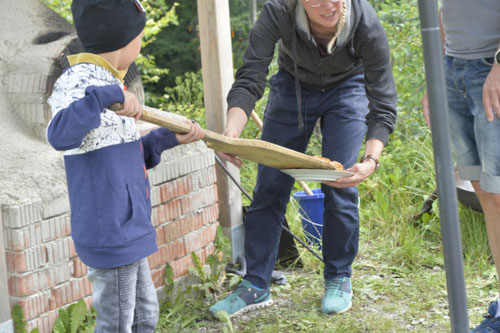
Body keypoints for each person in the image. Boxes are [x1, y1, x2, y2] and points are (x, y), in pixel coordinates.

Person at [209, 0, 397, 317]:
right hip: (292, 83)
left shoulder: (366, 24)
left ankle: (338, 277)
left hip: (348, 86)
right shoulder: (277, 12)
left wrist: (370, 160)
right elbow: (250, 77)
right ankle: (255, 284)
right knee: (269, 186)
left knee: (340, 183)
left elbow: (383, 103)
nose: (328, 6)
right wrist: (231, 134)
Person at [46, 0, 204, 331]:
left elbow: (124, 154)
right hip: (110, 228)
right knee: (118, 321)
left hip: (130, 224)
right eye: (140, 34)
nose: (141, 41)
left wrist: (170, 137)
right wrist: (102, 97)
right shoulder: (79, 79)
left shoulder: (110, 81)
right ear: (124, 37)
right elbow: (60, 134)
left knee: (145, 314)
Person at [421, 1, 500, 332]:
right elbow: (444, 11)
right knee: (485, 192)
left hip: (491, 67)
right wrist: (435, 77)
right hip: (453, 69)